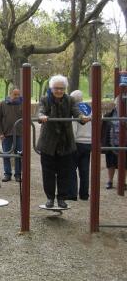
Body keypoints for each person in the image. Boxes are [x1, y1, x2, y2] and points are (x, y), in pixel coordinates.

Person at [38, 75, 89, 209]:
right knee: (48, 173)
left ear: (65, 89)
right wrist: (42, 116)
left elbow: (76, 112)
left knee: (64, 172)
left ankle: (61, 198)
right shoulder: (45, 99)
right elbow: (40, 111)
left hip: (65, 142)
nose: (59, 91)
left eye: (62, 88)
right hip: (48, 143)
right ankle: (50, 198)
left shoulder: (70, 100)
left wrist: (81, 117)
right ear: (51, 88)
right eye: (56, 88)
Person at [0, 86, 23, 182]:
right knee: (6, 153)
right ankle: (7, 173)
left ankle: (18, 174)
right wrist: (0, 133)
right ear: (10, 94)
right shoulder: (3, 104)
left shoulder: (22, 104)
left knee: (19, 154)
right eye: (15, 94)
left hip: (19, 133)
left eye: (18, 94)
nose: (17, 96)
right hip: (6, 133)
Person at [69, 90, 92, 201]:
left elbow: (74, 128)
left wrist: (71, 142)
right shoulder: (89, 109)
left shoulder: (75, 110)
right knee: (85, 170)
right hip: (88, 143)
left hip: (77, 142)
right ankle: (84, 194)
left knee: (72, 169)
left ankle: (72, 194)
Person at [101, 96, 126, 190]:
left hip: (124, 143)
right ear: (115, 105)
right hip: (111, 142)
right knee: (110, 163)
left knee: (124, 164)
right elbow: (103, 130)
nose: (121, 105)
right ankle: (110, 181)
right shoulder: (109, 115)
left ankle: (123, 182)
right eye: (119, 104)